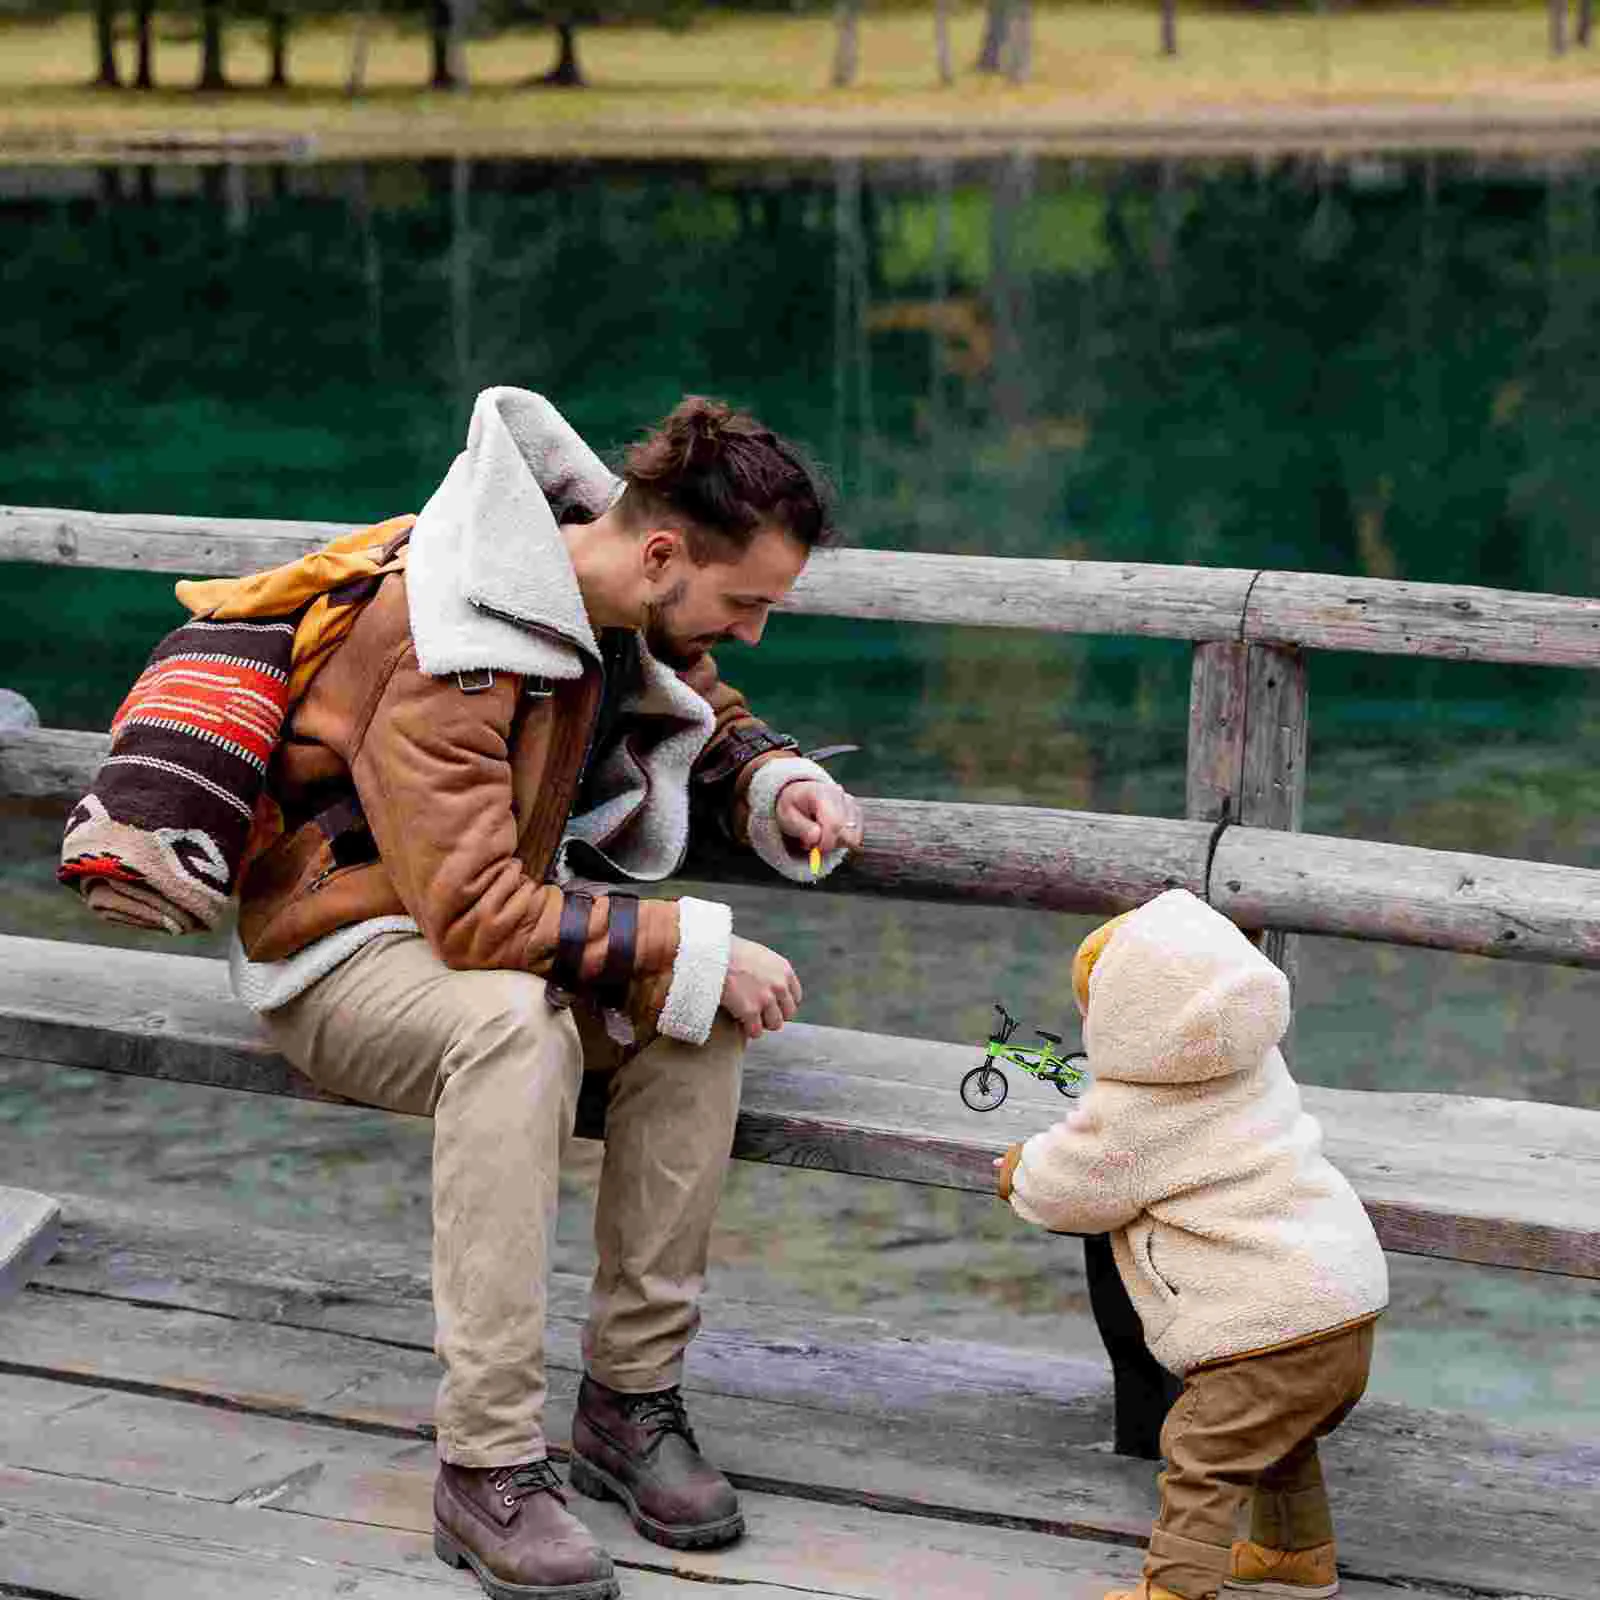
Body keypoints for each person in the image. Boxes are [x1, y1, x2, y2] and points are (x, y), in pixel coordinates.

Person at [229, 387, 864, 1600]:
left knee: (699, 1012)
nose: (755, 632)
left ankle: (629, 1401)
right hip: (340, 942)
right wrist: (679, 930)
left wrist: (767, 775)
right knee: (514, 1031)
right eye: (748, 605)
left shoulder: (609, 582)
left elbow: (691, 692)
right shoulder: (447, 634)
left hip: (477, 929)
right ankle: (487, 1464)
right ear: (665, 553)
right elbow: (472, 919)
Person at [996, 890, 1388, 1600]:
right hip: (1345, 1310)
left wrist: (1017, 1170)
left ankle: (1175, 1588)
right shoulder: (1256, 1068)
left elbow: (1069, 1189)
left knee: (1201, 1452)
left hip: (1268, 1325)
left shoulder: (1136, 1109)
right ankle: (1295, 1556)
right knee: (1276, 1434)